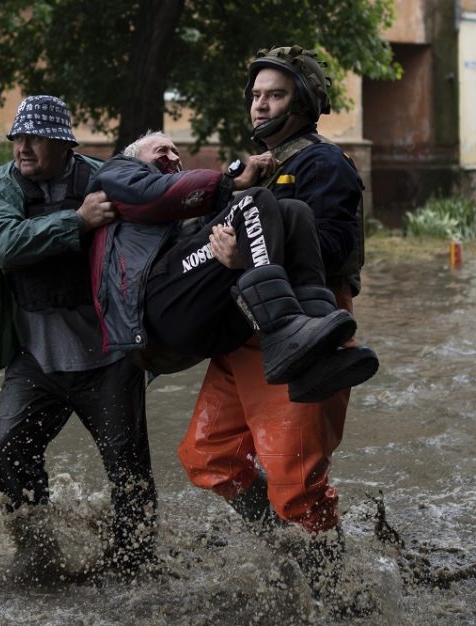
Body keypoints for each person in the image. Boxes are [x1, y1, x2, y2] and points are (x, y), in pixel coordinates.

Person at [176, 45, 372, 577]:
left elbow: (332, 249)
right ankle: (284, 550)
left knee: (297, 485)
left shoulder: (325, 164)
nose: (260, 105)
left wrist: (253, 253)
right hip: (243, 332)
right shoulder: (253, 168)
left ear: (303, 102)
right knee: (208, 457)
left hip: (306, 329)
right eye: (256, 95)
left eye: (275, 94)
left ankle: (337, 588)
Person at [0, 95, 157, 579]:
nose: (23, 147)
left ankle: (136, 566)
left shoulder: (103, 178)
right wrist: (76, 221)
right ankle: (36, 551)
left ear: (63, 144)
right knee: (6, 446)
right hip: (36, 359)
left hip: (109, 358)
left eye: (34, 138)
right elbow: (4, 245)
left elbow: (163, 207)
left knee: (129, 471)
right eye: (17, 137)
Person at [87, 131, 378, 401]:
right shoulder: (117, 172)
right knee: (255, 200)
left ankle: (319, 353)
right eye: (162, 150)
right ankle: (281, 334)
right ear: (133, 158)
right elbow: (150, 193)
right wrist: (232, 183)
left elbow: (198, 233)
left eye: (177, 151)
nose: (174, 157)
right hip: (155, 315)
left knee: (293, 211)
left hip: (200, 317)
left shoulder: (180, 213)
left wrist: (239, 250)